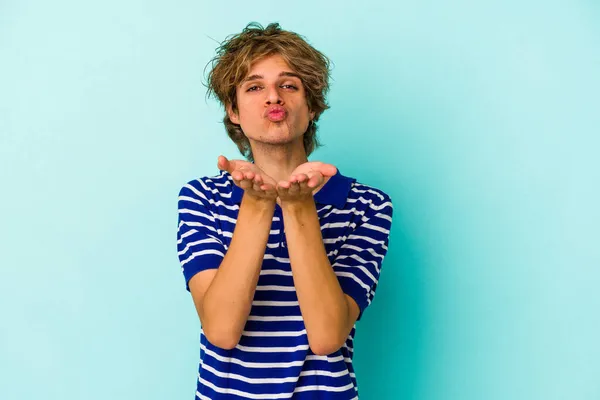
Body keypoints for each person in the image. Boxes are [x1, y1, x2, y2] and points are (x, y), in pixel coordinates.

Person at [176, 22, 393, 399]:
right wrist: (259, 205)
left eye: (289, 85)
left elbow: (327, 336)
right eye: (255, 86)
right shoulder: (201, 198)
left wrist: (297, 208)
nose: (273, 97)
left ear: (311, 107)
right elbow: (222, 330)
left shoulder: (367, 205)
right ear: (234, 111)